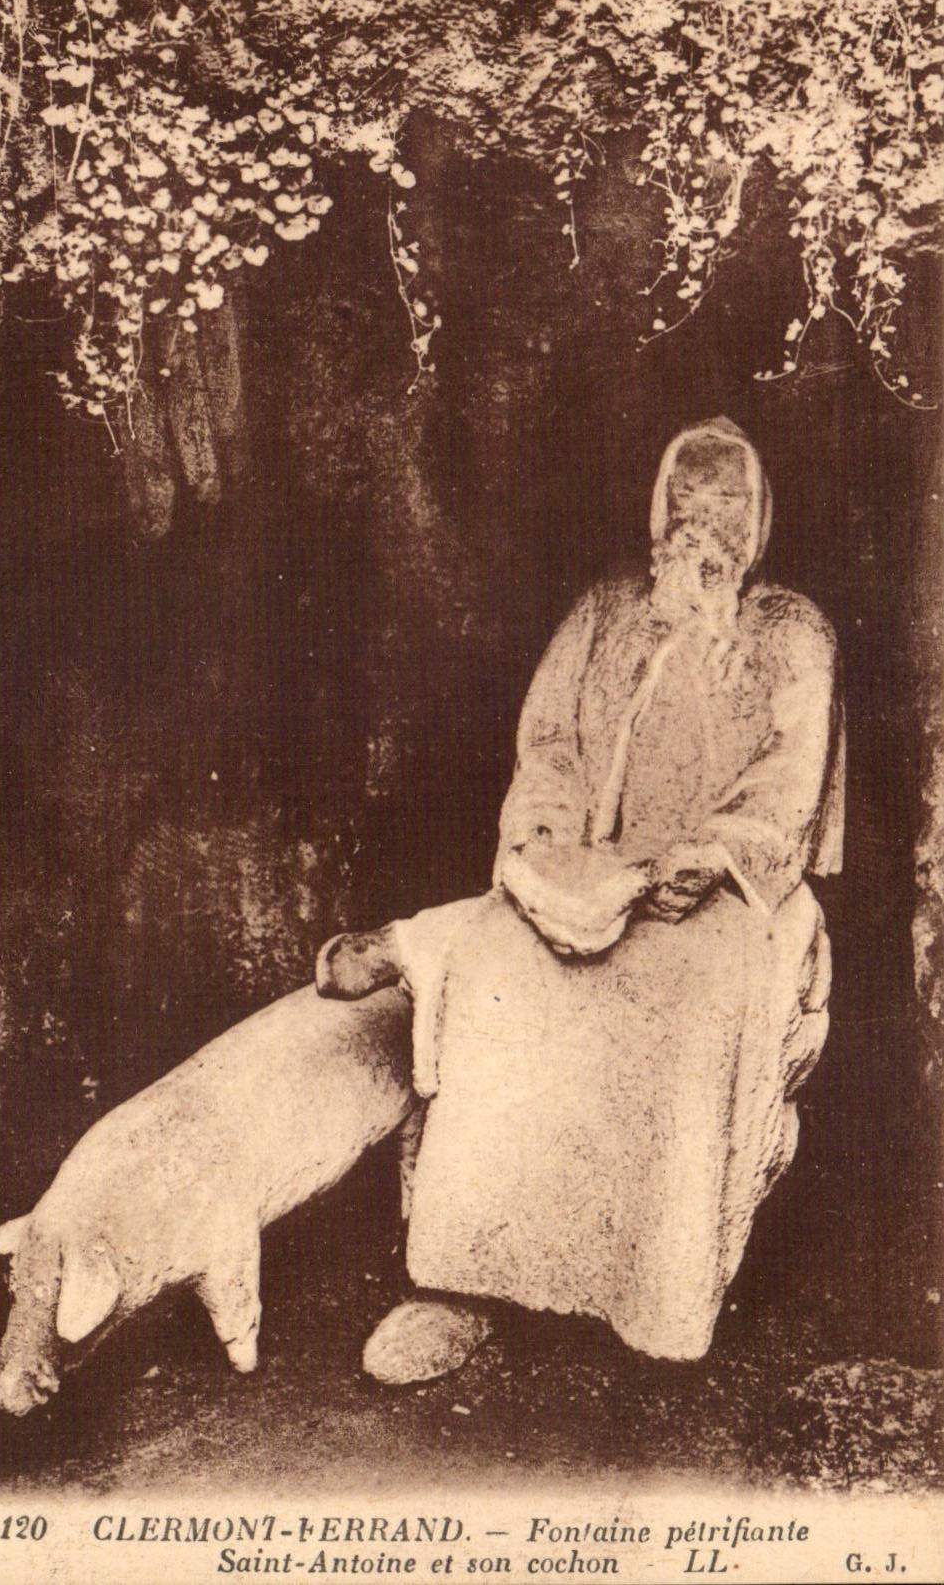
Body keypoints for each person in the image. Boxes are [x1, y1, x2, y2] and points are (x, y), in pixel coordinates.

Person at [318, 417, 845, 1386]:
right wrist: (550, 839)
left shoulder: (793, 636)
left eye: (727, 502)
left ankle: (655, 1297)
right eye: (687, 500)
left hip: (726, 898)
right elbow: (551, 743)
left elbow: (789, 784)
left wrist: (711, 857)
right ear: (659, 510)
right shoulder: (603, 612)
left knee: (691, 1002)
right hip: (596, 878)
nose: (705, 526)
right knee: (495, 969)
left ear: (759, 519)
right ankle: (464, 1280)